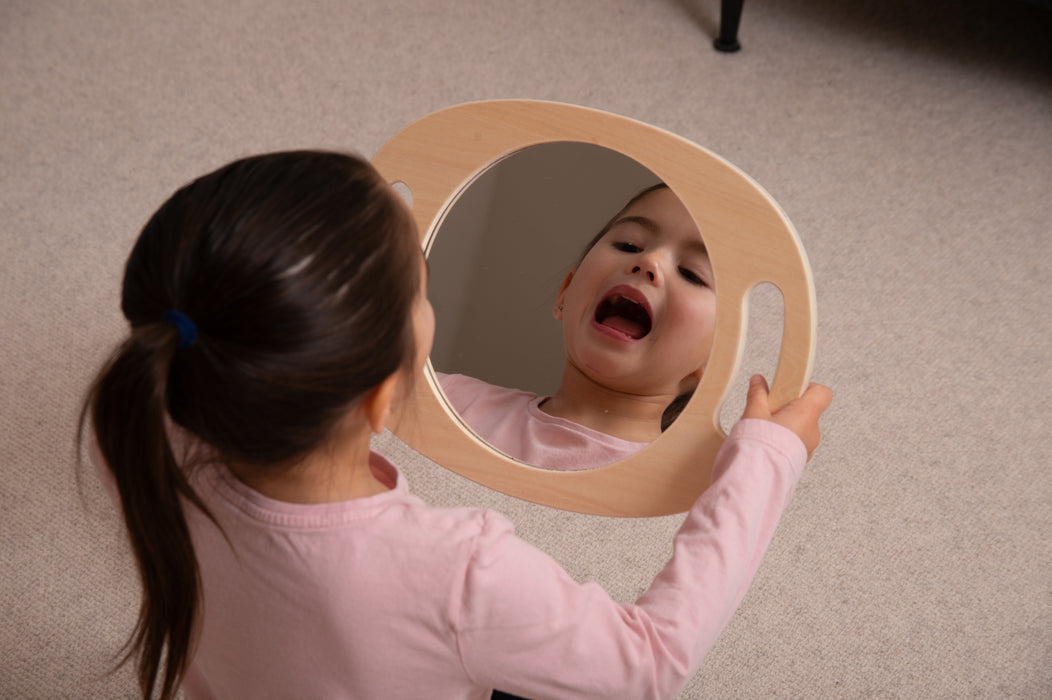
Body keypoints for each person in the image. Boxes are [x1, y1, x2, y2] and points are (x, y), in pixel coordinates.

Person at [81, 150, 832, 700]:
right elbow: (649, 664)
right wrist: (764, 464)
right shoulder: (458, 571)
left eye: (694, 273)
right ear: (382, 402)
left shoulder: (145, 432)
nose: (647, 267)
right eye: (421, 291)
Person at [439, 184, 717, 470]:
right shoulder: (448, 399)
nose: (649, 261)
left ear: (717, 361)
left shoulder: (678, 491)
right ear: (565, 293)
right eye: (629, 245)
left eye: (691, 274)